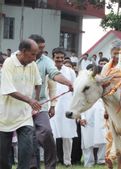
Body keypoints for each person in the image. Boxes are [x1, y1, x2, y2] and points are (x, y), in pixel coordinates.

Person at [28, 34, 73, 169]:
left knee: (47, 132)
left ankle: (50, 166)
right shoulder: (17, 59)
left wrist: (68, 83)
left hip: (40, 104)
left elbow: (54, 74)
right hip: (22, 105)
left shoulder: (46, 61)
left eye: (43, 48)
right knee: (29, 138)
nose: (42, 50)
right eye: (39, 48)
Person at [0, 39, 42, 169]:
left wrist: (35, 101)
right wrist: (30, 100)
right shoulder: (9, 63)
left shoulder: (32, 64)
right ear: (23, 51)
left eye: (36, 55)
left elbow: (38, 82)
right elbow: (8, 89)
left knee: (27, 148)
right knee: (3, 154)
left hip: (24, 115)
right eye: (32, 54)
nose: (35, 58)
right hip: (5, 115)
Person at [49, 47, 77, 167]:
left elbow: (75, 89)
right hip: (53, 106)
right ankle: (52, 159)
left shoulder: (70, 72)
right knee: (52, 135)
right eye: (57, 58)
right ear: (53, 58)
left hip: (67, 106)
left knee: (68, 135)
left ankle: (67, 161)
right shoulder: (49, 69)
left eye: (61, 58)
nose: (59, 60)